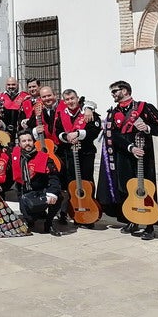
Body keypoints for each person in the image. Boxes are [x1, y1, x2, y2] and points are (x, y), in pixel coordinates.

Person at [96, 80, 158, 241]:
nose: (112, 94)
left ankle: (149, 225)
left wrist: (147, 128)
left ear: (125, 91)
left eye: (115, 91)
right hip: (124, 155)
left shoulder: (143, 107)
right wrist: (130, 147)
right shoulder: (113, 112)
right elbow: (113, 135)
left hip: (143, 156)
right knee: (126, 188)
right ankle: (132, 219)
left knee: (146, 188)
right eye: (111, 92)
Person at [52, 89, 100, 226]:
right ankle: (73, 211)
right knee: (70, 184)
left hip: (85, 153)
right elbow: (58, 131)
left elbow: (94, 131)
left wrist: (78, 134)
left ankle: (89, 211)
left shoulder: (87, 113)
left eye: (72, 98)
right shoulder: (62, 115)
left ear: (77, 98)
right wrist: (66, 137)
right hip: (69, 154)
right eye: (67, 100)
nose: (70, 102)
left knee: (87, 183)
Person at [11, 130, 63, 236]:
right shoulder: (15, 157)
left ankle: (49, 223)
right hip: (25, 193)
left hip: (41, 191)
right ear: (19, 144)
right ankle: (31, 217)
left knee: (58, 196)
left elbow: (54, 178)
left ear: (34, 141)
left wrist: (52, 193)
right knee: (31, 218)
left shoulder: (44, 158)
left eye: (29, 140)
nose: (27, 143)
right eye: (24, 141)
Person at [0, 76, 29, 143]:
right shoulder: (0, 97)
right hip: (5, 130)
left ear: (17, 85)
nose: (11, 86)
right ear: (6, 85)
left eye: (13, 84)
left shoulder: (24, 96)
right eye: (8, 84)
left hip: (20, 130)